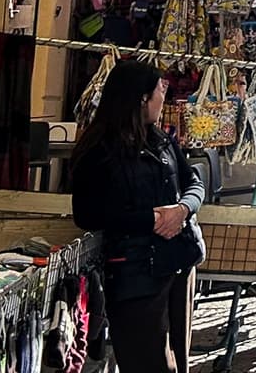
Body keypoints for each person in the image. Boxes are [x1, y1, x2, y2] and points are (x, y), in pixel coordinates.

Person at [68, 61, 204, 373]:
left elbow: (194, 181)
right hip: (135, 275)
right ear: (142, 98)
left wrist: (183, 210)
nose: (163, 99)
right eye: (160, 91)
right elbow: (88, 213)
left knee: (177, 361)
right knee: (146, 362)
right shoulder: (99, 150)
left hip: (179, 263)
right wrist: (152, 220)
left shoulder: (162, 141)